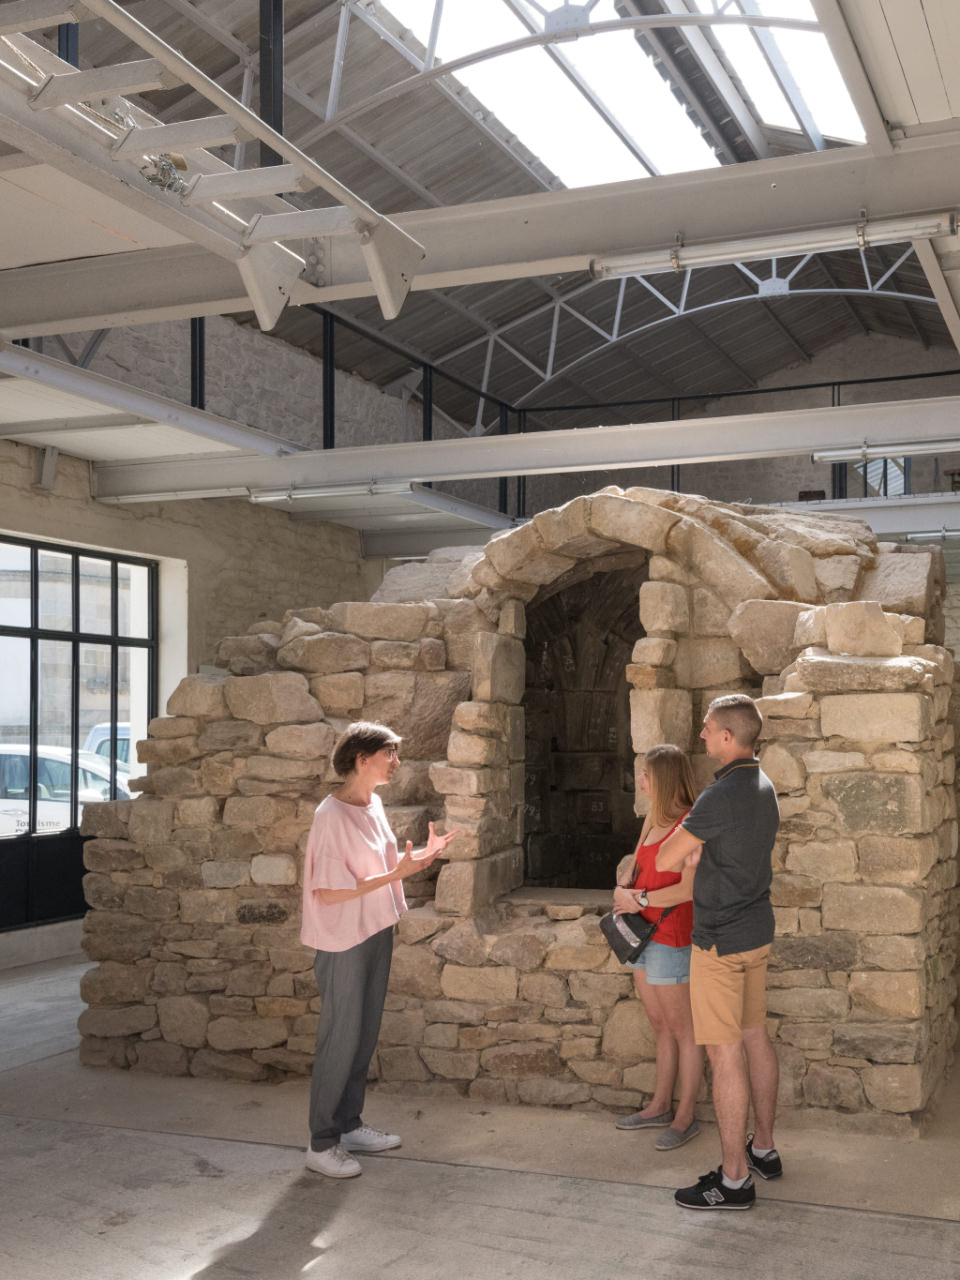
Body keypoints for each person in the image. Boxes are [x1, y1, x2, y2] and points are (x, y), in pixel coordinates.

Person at [300, 721, 458, 1179]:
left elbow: (384, 867)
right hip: (343, 938)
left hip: (375, 929)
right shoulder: (330, 815)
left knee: (364, 1034)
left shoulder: (373, 804)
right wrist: (395, 875)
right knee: (340, 1037)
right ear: (361, 759)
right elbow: (328, 892)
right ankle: (322, 1142)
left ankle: (348, 1126)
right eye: (389, 753)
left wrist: (421, 860)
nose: (397, 761)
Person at [655, 693, 782, 1211]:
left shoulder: (719, 795)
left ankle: (733, 1180)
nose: (703, 736)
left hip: (718, 942)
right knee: (755, 1037)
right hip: (756, 932)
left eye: (708, 730)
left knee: (723, 1051)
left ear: (729, 737)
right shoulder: (765, 785)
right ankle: (765, 1150)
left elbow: (666, 857)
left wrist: (692, 846)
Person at [612, 744, 705, 1152]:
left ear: (663, 778)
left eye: (647, 775)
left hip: (671, 936)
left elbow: (689, 890)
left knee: (684, 1030)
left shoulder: (691, 822)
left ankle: (686, 1117)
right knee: (660, 1026)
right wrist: (624, 879)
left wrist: (641, 900)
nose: (641, 781)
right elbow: (637, 866)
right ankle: (659, 1106)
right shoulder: (652, 817)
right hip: (641, 935)